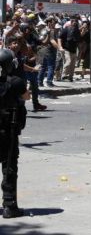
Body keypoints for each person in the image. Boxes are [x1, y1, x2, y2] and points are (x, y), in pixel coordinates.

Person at [0, 49, 29, 218]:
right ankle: (9, 205)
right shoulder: (16, 82)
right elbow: (26, 97)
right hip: (8, 131)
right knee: (9, 167)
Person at [59, 17, 80, 82]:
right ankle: (64, 75)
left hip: (74, 50)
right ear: (71, 22)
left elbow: (78, 39)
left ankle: (70, 77)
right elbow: (59, 38)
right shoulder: (66, 29)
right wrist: (60, 47)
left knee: (73, 65)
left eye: (76, 22)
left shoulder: (77, 30)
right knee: (68, 62)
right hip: (66, 49)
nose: (75, 23)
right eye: (74, 22)